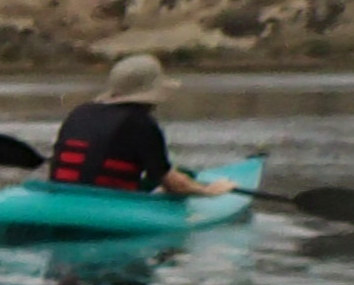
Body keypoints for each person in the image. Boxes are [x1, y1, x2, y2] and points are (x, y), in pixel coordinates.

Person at [47, 53, 227, 197]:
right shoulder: (141, 123)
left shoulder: (81, 112)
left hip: (61, 194)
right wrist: (208, 191)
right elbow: (173, 185)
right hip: (106, 201)